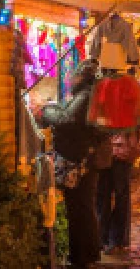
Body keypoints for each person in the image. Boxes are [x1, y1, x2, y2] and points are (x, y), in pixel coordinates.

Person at [40, 60, 103, 269]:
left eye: (74, 75)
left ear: (82, 77)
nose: (70, 79)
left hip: (78, 161)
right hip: (83, 159)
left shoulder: (85, 95)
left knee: (79, 208)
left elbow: (67, 119)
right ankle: (90, 252)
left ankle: (81, 257)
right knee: (84, 207)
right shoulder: (88, 95)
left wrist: (46, 111)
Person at [95, 45, 140, 257]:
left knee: (106, 195)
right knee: (117, 196)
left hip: (111, 150)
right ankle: (115, 239)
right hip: (118, 151)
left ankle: (106, 239)